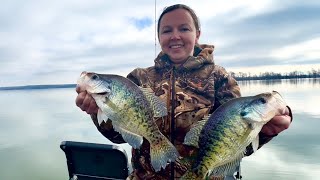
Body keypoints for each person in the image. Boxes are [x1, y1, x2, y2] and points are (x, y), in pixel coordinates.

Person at [75, 4, 292, 180]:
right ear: (158, 37)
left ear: (197, 35)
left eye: (184, 29)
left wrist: (265, 132)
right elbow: (120, 136)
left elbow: (234, 140)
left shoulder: (220, 78)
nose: (175, 36)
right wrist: (96, 113)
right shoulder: (139, 78)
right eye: (167, 30)